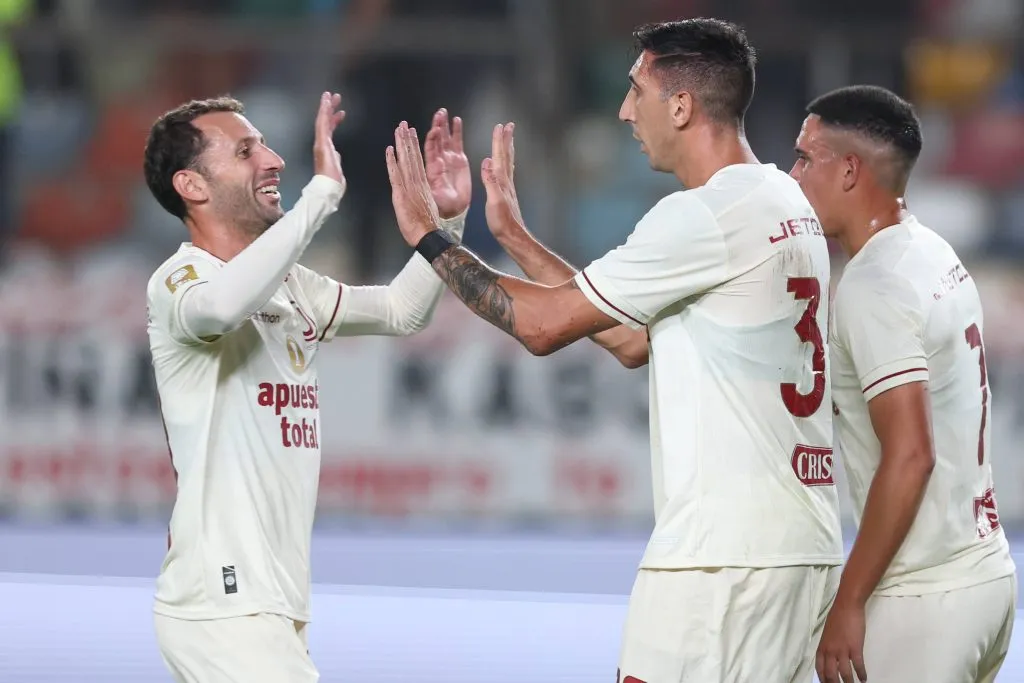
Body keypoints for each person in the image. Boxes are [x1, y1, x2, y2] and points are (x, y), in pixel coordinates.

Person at [387, 18, 844, 682]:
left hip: (718, 565)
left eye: (637, 90)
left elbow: (541, 327)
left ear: (681, 105)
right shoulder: (781, 200)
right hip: (800, 550)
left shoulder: (701, 216)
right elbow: (632, 339)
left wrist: (431, 239)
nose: (625, 110)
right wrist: (515, 236)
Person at [143, 94, 471, 682]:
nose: (272, 159)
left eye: (264, 144)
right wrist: (319, 197)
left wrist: (443, 227)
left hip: (273, 598)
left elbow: (401, 311)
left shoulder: (291, 284)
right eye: (245, 151)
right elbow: (218, 309)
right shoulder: (180, 279)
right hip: (223, 598)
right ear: (191, 185)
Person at [789, 85, 1017, 683]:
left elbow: (911, 454)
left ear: (848, 170)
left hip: (924, 598)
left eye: (805, 158)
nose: (793, 174)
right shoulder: (931, 251)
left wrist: (850, 599)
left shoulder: (874, 285)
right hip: (985, 573)